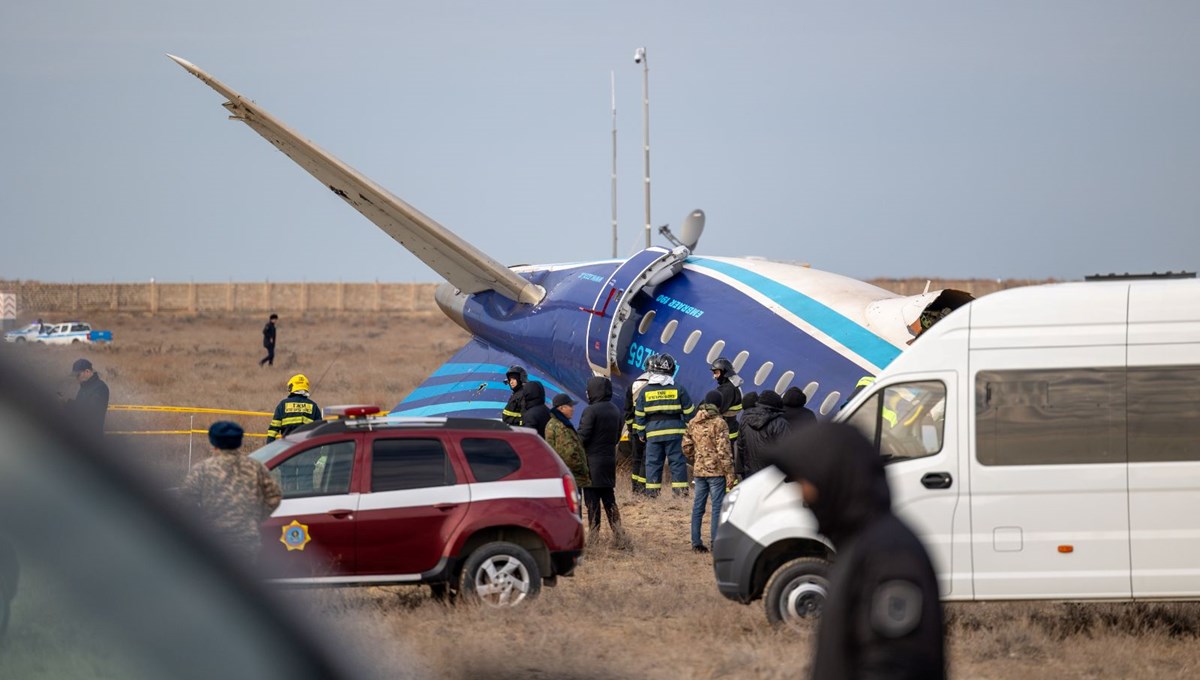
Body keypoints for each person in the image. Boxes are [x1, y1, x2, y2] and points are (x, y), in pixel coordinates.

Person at [767, 423, 945, 679]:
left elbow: (894, 665)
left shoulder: (890, 555)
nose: (803, 496)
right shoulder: (860, 545)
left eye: (806, 483)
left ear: (833, 478)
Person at [178, 421, 283, 566]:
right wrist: (254, 517)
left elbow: (185, 502)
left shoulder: (202, 469)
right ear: (239, 442)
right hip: (246, 538)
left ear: (213, 442)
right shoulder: (255, 467)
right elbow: (274, 496)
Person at [633, 353, 695, 498]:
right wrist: (690, 432)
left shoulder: (645, 391)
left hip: (653, 434)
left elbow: (640, 415)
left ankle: (652, 495)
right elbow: (689, 412)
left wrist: (641, 433)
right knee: (677, 463)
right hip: (675, 433)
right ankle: (680, 495)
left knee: (653, 464)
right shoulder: (679, 389)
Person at [682, 390, 735, 553]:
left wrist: (698, 458)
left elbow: (686, 446)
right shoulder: (720, 423)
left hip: (699, 472)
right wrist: (730, 473)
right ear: (718, 405)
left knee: (698, 507)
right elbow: (723, 451)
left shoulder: (693, 422)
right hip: (716, 473)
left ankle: (696, 542)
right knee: (717, 508)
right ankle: (715, 542)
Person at [577, 376, 627, 545]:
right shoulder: (615, 410)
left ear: (594, 391)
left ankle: (594, 537)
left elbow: (583, 436)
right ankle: (619, 534)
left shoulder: (590, 411)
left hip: (592, 462)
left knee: (592, 501)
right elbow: (617, 436)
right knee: (609, 499)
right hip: (608, 461)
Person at [544, 392, 589, 512]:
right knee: (574, 511)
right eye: (570, 406)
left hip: (565, 476)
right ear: (561, 408)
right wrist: (582, 468)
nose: (573, 409)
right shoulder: (561, 426)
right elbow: (568, 453)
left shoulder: (555, 424)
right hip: (572, 476)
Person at [738, 389, 789, 479]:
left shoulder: (745, 419)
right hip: (774, 476)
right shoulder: (780, 423)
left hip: (751, 475)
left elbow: (740, 447)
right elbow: (787, 451)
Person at [266, 374, 322, 442]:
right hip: (306, 447)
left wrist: (270, 446)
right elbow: (319, 430)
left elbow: (273, 429)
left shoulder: (283, 405)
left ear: (291, 387)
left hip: (287, 445)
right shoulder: (313, 406)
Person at [623, 370, 652, 495]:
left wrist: (630, 429)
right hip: (648, 429)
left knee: (636, 460)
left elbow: (628, 411)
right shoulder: (654, 386)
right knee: (646, 460)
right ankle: (642, 488)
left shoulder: (633, 386)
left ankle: (635, 489)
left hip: (635, 430)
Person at [65, 358, 110, 436]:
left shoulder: (100, 388)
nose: (77, 378)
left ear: (87, 372)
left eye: (78, 375)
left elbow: (90, 412)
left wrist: (68, 403)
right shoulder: (85, 387)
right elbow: (81, 407)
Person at [709, 357, 744, 449]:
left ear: (724, 373)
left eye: (716, 373)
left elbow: (711, 408)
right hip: (731, 430)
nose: (715, 376)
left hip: (724, 434)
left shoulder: (726, 390)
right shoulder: (734, 387)